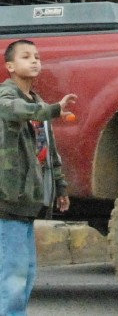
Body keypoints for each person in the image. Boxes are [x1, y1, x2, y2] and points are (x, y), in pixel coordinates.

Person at [1, 39, 74, 316]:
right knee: (13, 274)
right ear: (10, 66)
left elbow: (48, 150)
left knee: (27, 273)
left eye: (37, 57)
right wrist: (53, 110)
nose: (34, 61)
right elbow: (14, 111)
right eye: (26, 57)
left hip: (28, 200)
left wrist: (60, 186)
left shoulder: (37, 102)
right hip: (8, 199)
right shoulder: (6, 97)